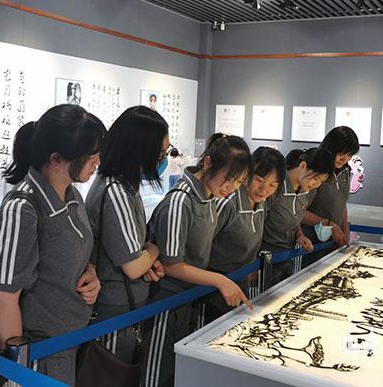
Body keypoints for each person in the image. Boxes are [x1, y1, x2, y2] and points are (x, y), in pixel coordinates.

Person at [0, 104, 105, 385]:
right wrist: (18, 374)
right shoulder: (22, 209)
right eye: (90, 156)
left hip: (71, 339)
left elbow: (73, 252)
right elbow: (5, 298)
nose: (97, 162)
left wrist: (90, 272)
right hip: (40, 353)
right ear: (57, 159)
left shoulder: (72, 194)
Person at [143, 133, 254, 387]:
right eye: (228, 178)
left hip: (187, 300)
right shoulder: (181, 200)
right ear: (208, 163)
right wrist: (219, 280)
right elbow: (172, 264)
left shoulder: (210, 198)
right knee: (157, 372)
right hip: (165, 302)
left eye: (238, 182)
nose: (231, 187)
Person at [85, 106, 170, 363]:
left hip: (124, 303)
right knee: (113, 373)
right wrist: (154, 249)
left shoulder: (124, 185)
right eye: (160, 153)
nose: (163, 160)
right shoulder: (116, 190)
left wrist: (147, 260)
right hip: (115, 308)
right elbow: (133, 266)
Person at [205, 146, 286, 322]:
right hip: (214, 287)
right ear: (247, 173)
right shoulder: (228, 202)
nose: (263, 190)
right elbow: (202, 244)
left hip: (241, 280)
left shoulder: (263, 204)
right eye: (259, 180)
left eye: (272, 185)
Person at [260, 147, 334, 286]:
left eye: (321, 182)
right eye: (316, 178)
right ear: (303, 166)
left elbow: (296, 215)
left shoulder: (307, 191)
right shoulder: (276, 185)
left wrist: (300, 235)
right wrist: (253, 260)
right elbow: (257, 221)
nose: (316, 185)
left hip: (288, 255)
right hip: (266, 258)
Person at [301, 126, 360, 268]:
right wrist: (329, 224)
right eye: (341, 153)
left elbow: (342, 204)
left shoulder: (345, 171)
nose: (344, 159)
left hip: (334, 241)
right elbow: (299, 211)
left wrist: (344, 234)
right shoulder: (316, 170)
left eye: (349, 155)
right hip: (312, 242)